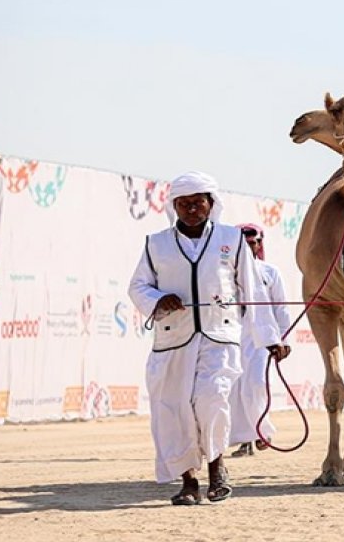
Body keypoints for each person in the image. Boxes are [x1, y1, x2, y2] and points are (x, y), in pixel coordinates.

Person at [127, 171, 291, 506]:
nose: (191, 209)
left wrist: (269, 337)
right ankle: (189, 482)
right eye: (184, 204)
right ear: (174, 206)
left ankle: (217, 469)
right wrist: (158, 300)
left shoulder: (231, 239)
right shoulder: (156, 244)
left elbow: (253, 290)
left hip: (220, 337)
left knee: (213, 399)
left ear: (210, 203)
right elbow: (138, 286)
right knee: (175, 409)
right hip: (172, 340)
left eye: (197, 202)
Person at [229, 223, 294, 457]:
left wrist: (283, 339)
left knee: (256, 384)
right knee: (233, 390)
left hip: (261, 338)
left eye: (253, 243)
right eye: (244, 244)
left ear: (259, 244)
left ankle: (261, 431)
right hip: (231, 335)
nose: (249, 247)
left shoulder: (269, 272)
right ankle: (245, 439)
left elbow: (281, 308)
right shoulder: (224, 272)